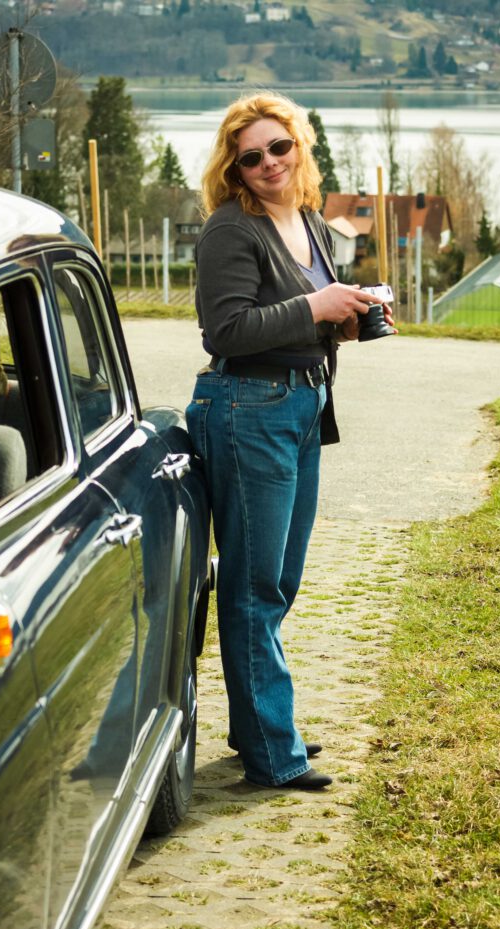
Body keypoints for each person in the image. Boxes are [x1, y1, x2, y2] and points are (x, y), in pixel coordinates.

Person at [186, 92, 394, 791]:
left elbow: (292, 319)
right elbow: (229, 332)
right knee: (252, 586)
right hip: (248, 409)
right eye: (251, 157)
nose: (269, 162)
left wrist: (344, 316)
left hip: (299, 407)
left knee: (276, 582)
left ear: (299, 147)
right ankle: (273, 754)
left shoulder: (306, 220)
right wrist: (313, 306)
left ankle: (261, 727)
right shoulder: (229, 230)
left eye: (280, 147)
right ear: (234, 168)